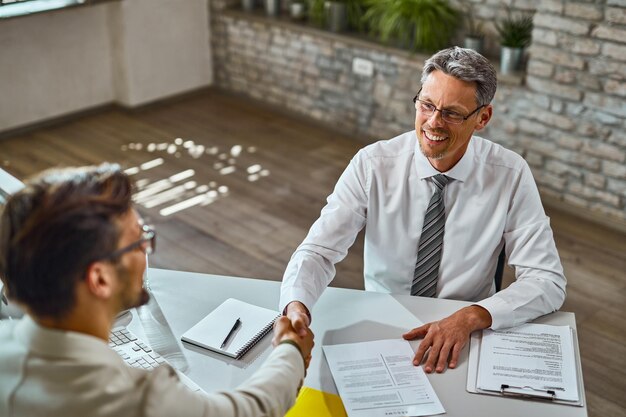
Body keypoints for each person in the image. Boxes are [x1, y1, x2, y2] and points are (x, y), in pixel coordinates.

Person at [280, 46, 566, 374]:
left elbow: (547, 280)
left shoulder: (511, 174)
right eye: (427, 105)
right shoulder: (372, 164)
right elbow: (318, 251)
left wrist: (473, 316)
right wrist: (296, 304)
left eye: (452, 113)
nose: (434, 122)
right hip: (383, 324)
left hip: (465, 332)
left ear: (482, 118)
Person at [0, 164, 314, 417]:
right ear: (100, 279)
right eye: (138, 242)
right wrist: (291, 351)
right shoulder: (129, 399)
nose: (147, 251)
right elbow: (250, 410)